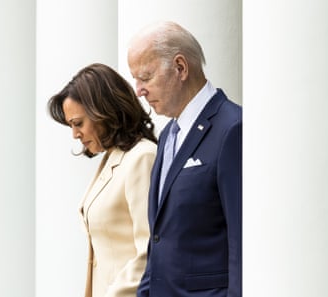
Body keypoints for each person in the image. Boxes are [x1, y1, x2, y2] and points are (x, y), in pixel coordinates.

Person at [127, 21, 242, 297]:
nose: (138, 90)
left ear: (180, 68)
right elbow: (159, 241)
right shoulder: (167, 134)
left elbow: (242, 241)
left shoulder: (233, 128)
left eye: (145, 77)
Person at [48, 63, 157, 297]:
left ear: (104, 111)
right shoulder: (113, 158)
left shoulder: (142, 157)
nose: (75, 134)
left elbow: (150, 250)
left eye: (78, 123)